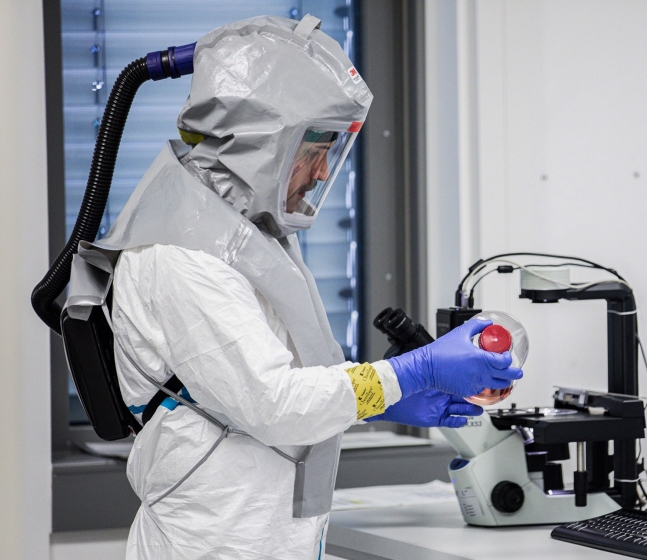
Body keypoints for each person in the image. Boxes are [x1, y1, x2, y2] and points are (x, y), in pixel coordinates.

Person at [92, 15, 521, 559]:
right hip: (215, 543)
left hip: (263, 535)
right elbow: (274, 405)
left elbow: (271, 381)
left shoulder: (241, 227)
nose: (322, 174)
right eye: (313, 151)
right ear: (261, 145)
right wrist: (416, 370)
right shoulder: (181, 251)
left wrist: (385, 401)